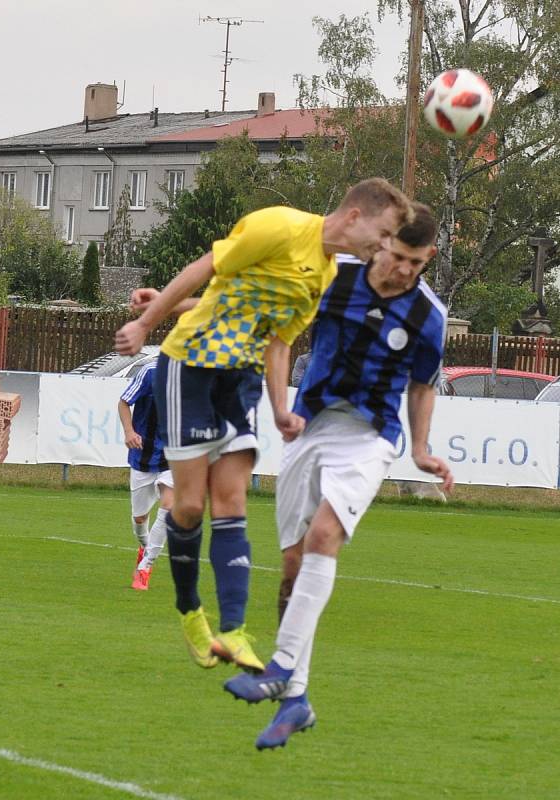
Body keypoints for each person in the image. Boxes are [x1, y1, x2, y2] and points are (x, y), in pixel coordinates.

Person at [114, 178, 413, 673]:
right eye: (381, 236)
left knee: (231, 503)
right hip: (188, 366)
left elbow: (279, 342)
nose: (382, 248)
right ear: (356, 216)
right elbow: (208, 269)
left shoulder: (326, 274)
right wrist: (149, 323)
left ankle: (232, 632)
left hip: (241, 385)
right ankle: (191, 614)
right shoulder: (280, 225)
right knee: (188, 506)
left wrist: (279, 407)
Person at [224, 203, 454, 750]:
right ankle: (296, 700)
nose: (403, 271)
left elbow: (422, 386)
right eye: (397, 256)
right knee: (291, 566)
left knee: (326, 536)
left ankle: (279, 666)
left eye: (415, 264)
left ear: (429, 258)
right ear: (384, 241)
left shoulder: (429, 316)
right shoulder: (335, 277)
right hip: (309, 427)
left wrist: (420, 450)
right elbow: (276, 324)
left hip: (370, 438)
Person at [118, 361, 174, 591]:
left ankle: (145, 567)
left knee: (170, 506)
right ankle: (145, 546)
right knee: (140, 519)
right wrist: (129, 431)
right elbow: (123, 402)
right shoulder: (151, 372)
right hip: (144, 454)